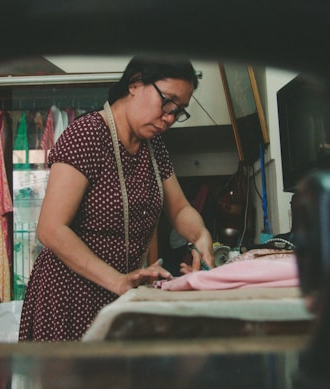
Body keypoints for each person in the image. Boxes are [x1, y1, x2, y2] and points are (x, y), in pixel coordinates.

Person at [18, 56, 214, 341]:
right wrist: (118, 281)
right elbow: (50, 229)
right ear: (135, 84)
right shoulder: (87, 136)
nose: (170, 117)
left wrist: (201, 236)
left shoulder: (154, 147)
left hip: (120, 293)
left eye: (179, 111)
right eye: (167, 103)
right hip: (69, 297)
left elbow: (180, 207)